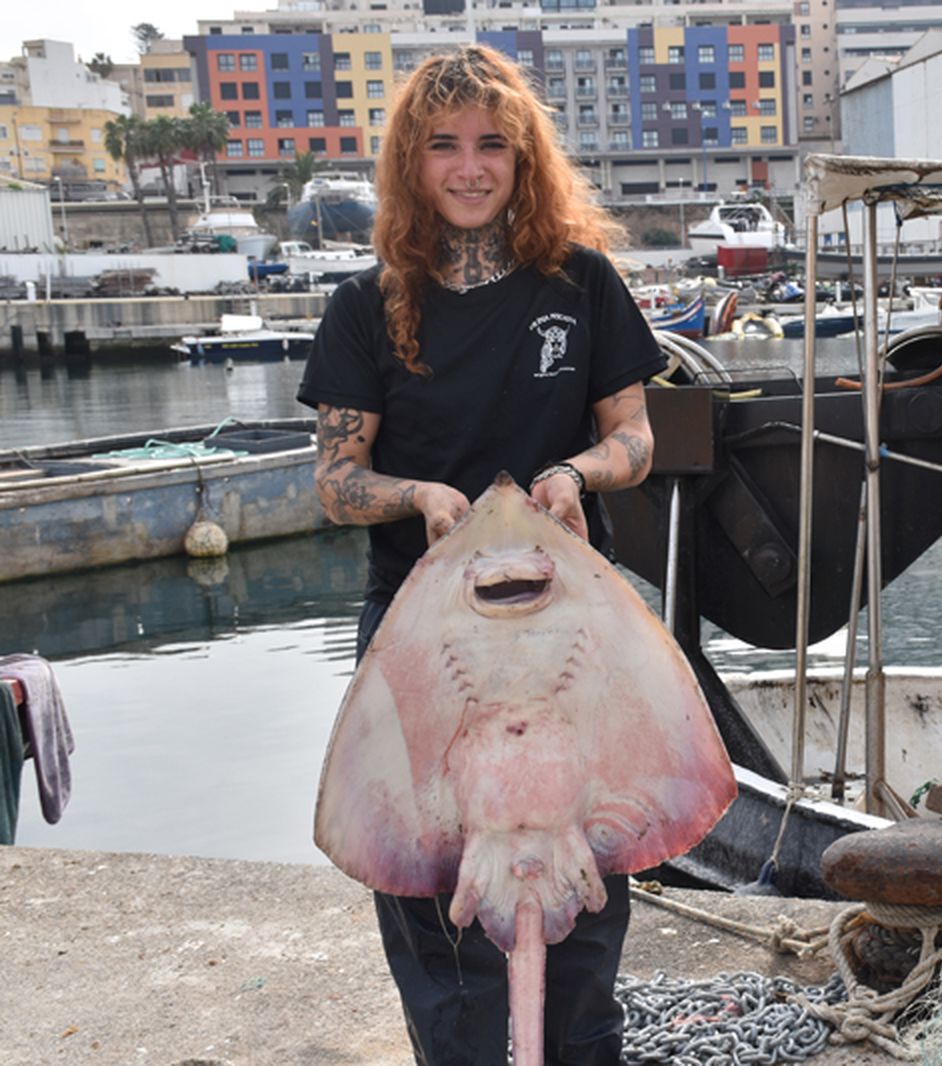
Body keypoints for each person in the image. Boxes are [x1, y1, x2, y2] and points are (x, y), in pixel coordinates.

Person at [296, 44, 665, 1066]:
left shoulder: (581, 283)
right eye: (444, 147)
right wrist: (414, 494)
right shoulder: (364, 306)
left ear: (523, 158)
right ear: (411, 163)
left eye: (492, 146)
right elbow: (335, 478)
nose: (469, 167)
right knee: (436, 900)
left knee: (581, 894)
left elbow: (638, 436)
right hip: (425, 633)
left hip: (567, 630)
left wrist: (578, 475)